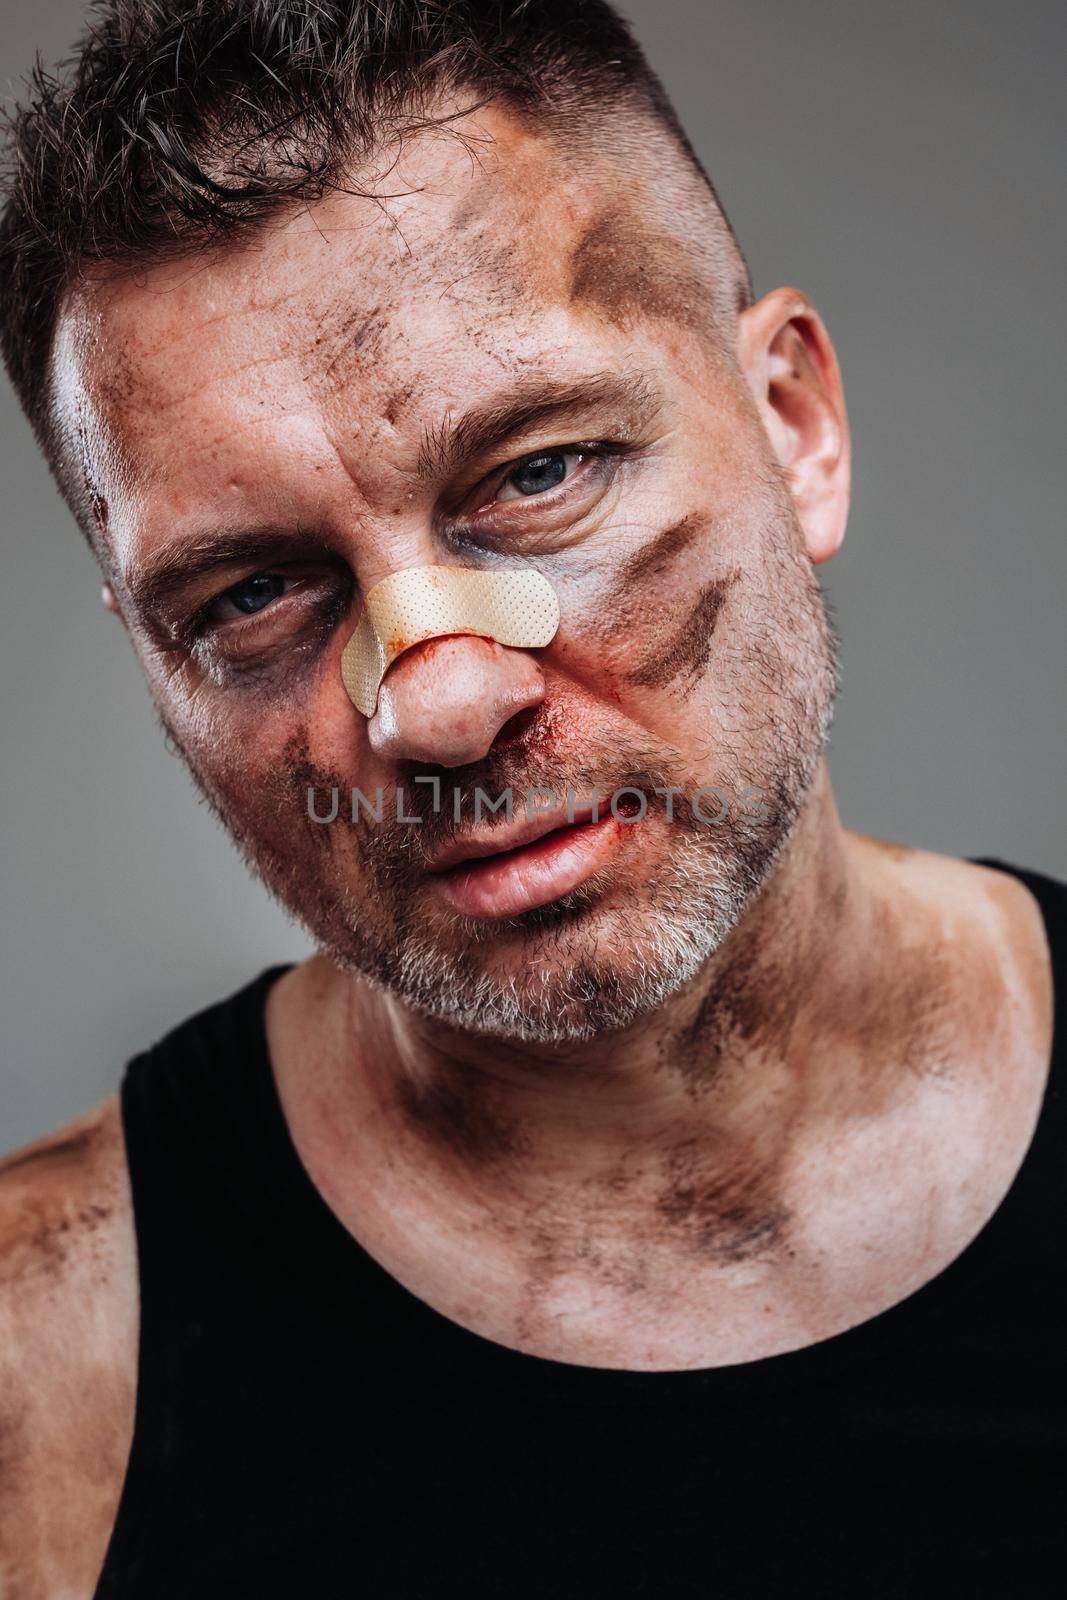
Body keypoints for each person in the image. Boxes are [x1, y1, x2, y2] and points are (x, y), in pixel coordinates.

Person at [0, 2, 1062, 1595]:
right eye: (254, 592)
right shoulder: (43, 1358)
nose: (437, 700)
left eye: (538, 474)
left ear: (793, 426)